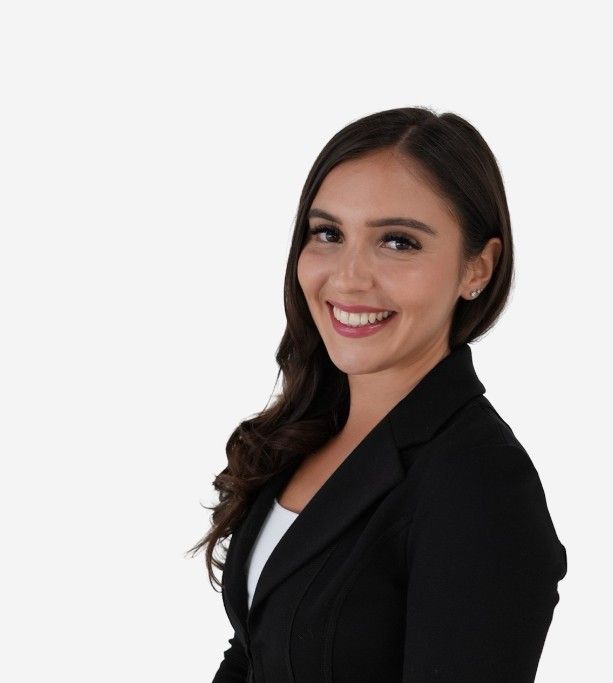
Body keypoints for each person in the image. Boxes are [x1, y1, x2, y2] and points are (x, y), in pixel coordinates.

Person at [189, 106, 568, 682]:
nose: (348, 277)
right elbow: (254, 654)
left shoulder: (480, 484)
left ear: (478, 269)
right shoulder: (305, 432)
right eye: (328, 234)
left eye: (397, 241)